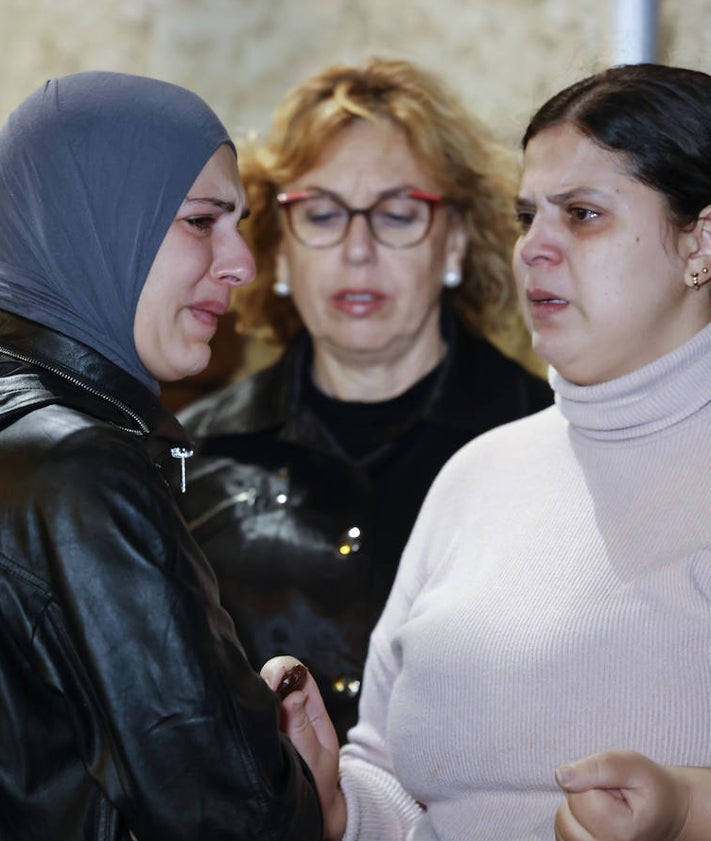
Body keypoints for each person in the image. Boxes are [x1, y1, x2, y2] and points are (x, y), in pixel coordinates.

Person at [261, 62, 711, 841]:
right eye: (526, 215)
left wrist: (687, 810)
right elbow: (396, 783)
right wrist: (332, 798)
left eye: (580, 214)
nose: (532, 247)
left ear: (699, 243)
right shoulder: (478, 471)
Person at [177, 57, 552, 744]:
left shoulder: (551, 445)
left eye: (397, 213)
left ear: (456, 242)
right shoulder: (181, 458)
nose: (356, 249)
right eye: (320, 213)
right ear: (279, 251)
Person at [0, 71, 322, 840]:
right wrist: (307, 787)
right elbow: (233, 820)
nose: (241, 263)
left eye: (237, 222)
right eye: (201, 221)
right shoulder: (82, 467)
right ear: (96, 221)